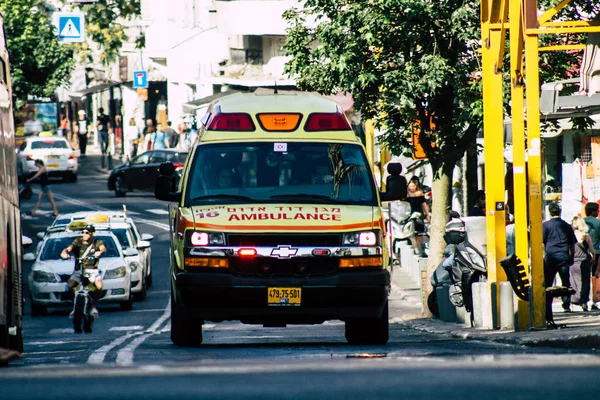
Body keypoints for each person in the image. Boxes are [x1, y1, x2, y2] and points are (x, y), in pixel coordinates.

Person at [60, 224, 106, 327]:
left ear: (92, 234)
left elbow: (103, 248)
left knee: (99, 286)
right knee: (70, 286)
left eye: (87, 233)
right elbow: (69, 248)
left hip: (92, 270)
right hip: (78, 270)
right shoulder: (78, 241)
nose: (84, 235)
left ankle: (94, 305)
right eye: (83, 232)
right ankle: (74, 308)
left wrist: (99, 252)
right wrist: (65, 253)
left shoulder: (97, 242)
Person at [542, 203, 576, 315]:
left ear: (549, 212)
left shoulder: (545, 226)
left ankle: (547, 304)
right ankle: (566, 305)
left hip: (550, 257)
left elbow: (542, 243)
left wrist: (543, 255)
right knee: (565, 281)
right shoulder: (566, 226)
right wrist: (572, 256)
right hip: (563, 257)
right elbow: (572, 244)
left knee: (548, 282)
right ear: (559, 212)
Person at [570, 216, 596, 311]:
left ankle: (573, 301)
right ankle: (584, 301)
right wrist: (593, 259)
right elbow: (592, 251)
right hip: (584, 261)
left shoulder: (571, 236)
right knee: (585, 282)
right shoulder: (586, 236)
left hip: (573, 261)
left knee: (573, 281)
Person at [406, 175, 430, 256]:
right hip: (409, 215)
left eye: (413, 186)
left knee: (420, 233)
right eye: (410, 186)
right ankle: (415, 249)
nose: (412, 187)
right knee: (411, 234)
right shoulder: (406, 194)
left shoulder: (419, 193)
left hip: (419, 214)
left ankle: (422, 248)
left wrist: (427, 214)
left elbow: (424, 204)